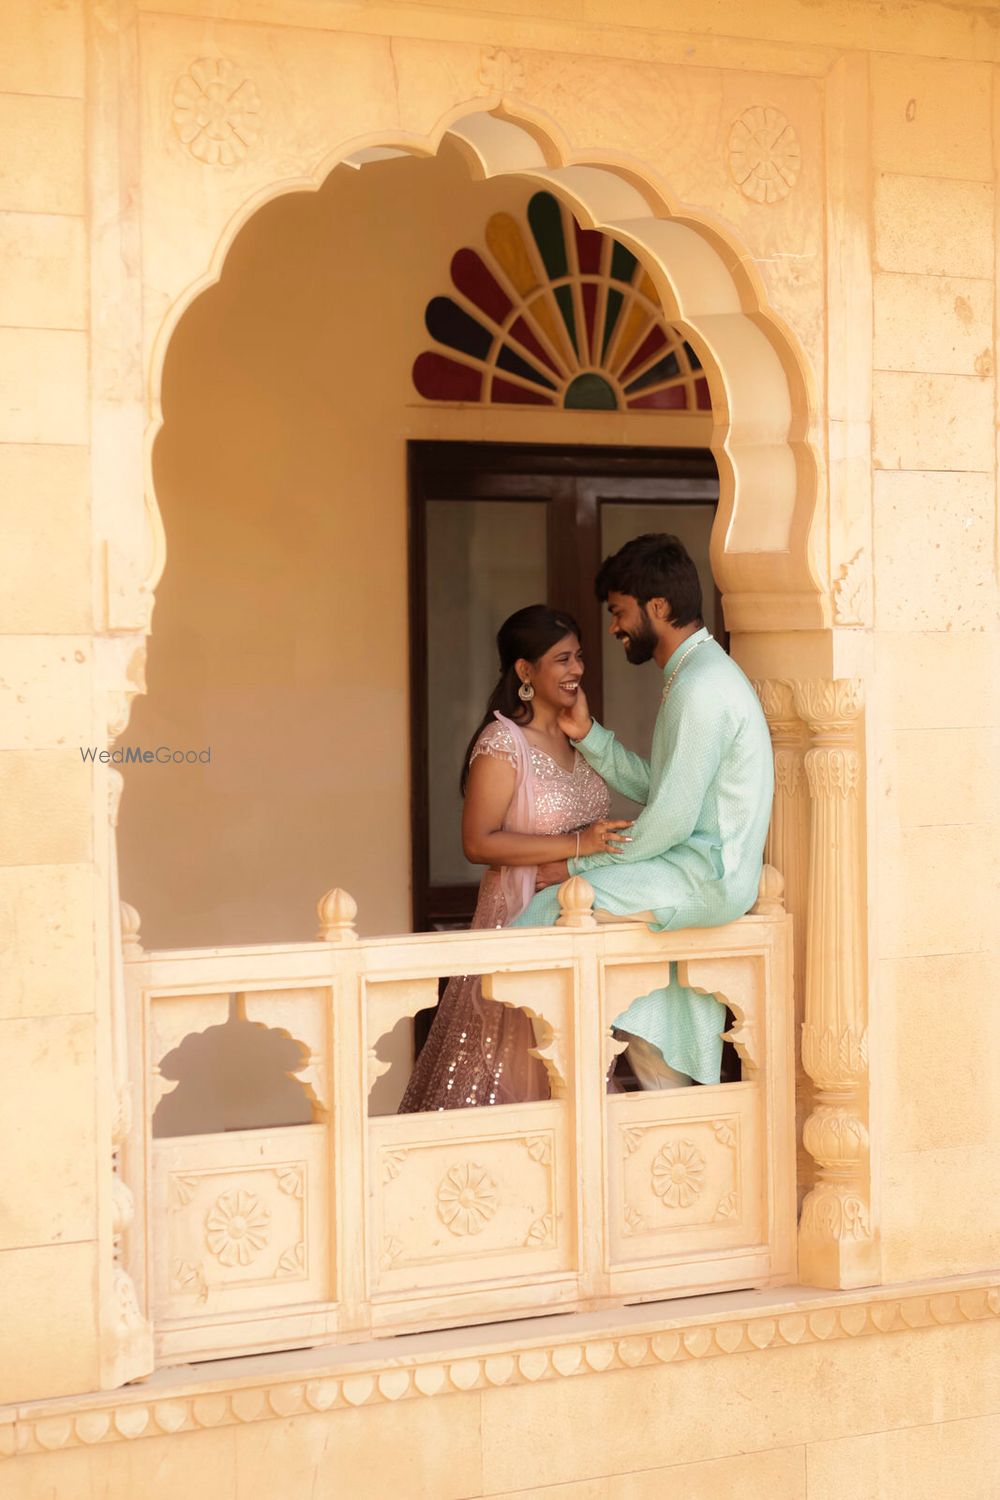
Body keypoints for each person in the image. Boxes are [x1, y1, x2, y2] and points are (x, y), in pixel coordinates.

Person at [512, 534, 774, 1091]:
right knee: (653, 984)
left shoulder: (701, 685)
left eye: (619, 612)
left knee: (545, 910)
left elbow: (671, 822)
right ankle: (659, 1099)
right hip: (694, 871)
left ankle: (558, 1084)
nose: (613, 628)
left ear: (657, 608)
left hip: (706, 878)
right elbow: (668, 791)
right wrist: (589, 737)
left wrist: (576, 867)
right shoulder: (696, 672)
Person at [399, 605, 630, 1112]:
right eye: (562, 660)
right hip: (520, 918)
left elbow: (601, 834)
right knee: (513, 1064)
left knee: (575, 1072)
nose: (577, 671)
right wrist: (576, 845)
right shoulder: (504, 741)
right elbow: (478, 843)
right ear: (525, 671)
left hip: (581, 927)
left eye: (579, 658)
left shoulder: (579, 736)